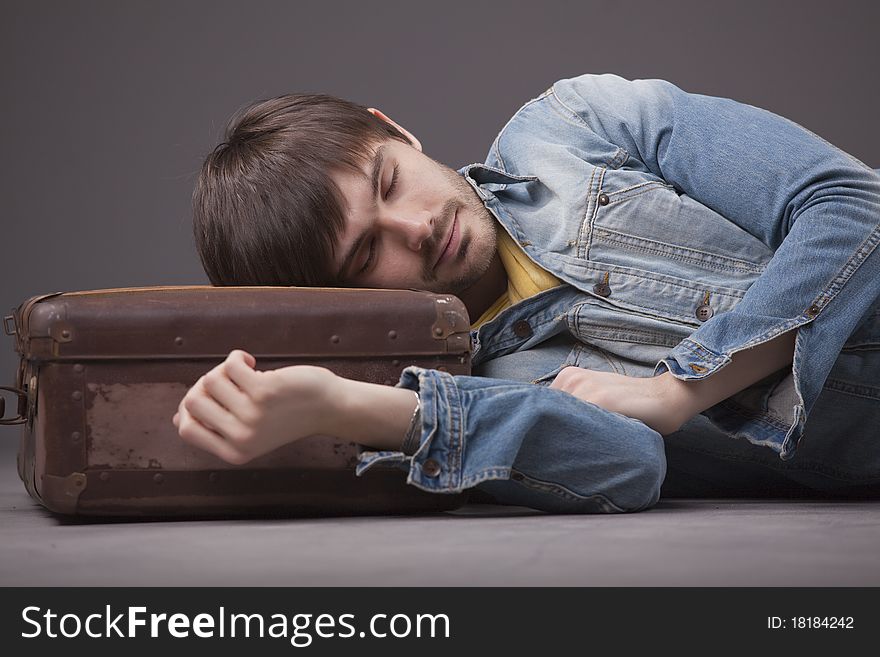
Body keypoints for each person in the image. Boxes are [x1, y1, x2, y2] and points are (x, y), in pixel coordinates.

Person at [173, 73, 880, 513]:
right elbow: (628, 466)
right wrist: (341, 403)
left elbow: (851, 204)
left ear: (393, 130)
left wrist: (681, 389)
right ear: (336, 300)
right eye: (366, 254)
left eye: (387, 181)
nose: (416, 227)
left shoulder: (573, 126)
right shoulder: (476, 388)